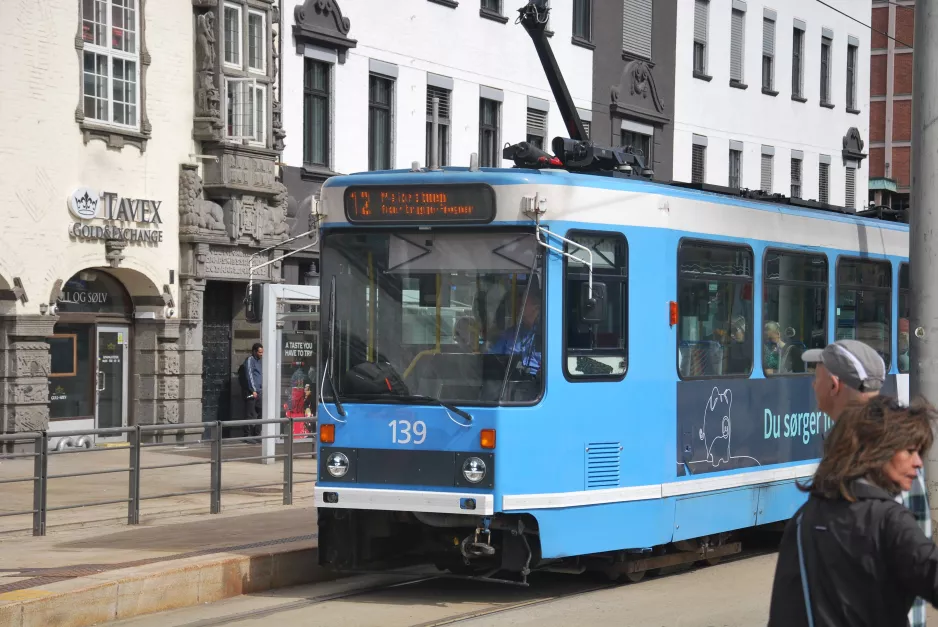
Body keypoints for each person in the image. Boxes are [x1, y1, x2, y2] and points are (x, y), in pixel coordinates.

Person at [768, 396, 938, 626]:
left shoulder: (804, 519)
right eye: (909, 451)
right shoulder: (889, 520)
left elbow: (785, 612)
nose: (918, 462)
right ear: (877, 451)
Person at [802, 339, 931, 627]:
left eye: (816, 375)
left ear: (834, 385)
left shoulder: (878, 451)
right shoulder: (867, 442)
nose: (813, 384)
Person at [487, 284, 541, 376]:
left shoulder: (547, 335)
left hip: (538, 385)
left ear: (536, 307)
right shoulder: (511, 334)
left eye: (524, 304)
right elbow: (492, 359)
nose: (520, 306)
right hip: (511, 384)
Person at [241, 343, 263, 442]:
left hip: (259, 391)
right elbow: (249, 375)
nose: (261, 354)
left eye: (262, 352)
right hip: (251, 391)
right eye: (259, 352)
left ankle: (257, 434)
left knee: (261, 412)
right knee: (249, 414)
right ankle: (247, 436)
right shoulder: (250, 360)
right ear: (254, 351)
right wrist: (253, 389)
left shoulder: (260, 361)